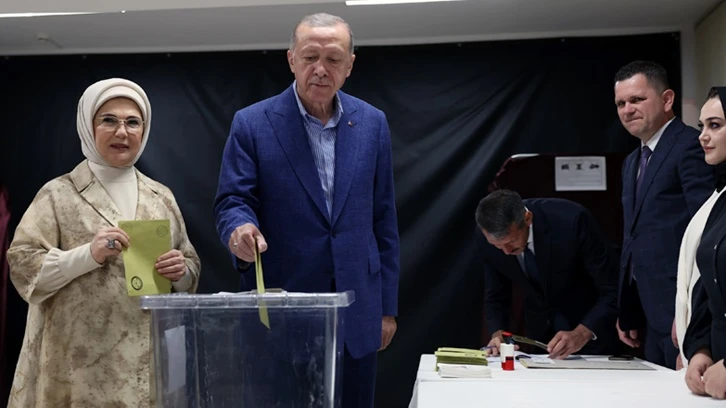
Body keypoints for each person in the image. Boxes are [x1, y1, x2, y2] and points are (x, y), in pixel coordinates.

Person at [213, 13, 399, 407]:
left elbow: (384, 219)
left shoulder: (372, 124)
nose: (320, 69)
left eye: (333, 59)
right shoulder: (252, 123)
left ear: (350, 65)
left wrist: (386, 309)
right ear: (291, 59)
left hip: (358, 307)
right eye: (310, 57)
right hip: (283, 307)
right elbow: (233, 201)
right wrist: (239, 229)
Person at [6, 78, 201, 407]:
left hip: (146, 365)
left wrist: (180, 273)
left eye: (132, 122)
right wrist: (87, 255)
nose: (122, 132)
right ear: (87, 125)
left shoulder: (161, 197)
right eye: (108, 120)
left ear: (144, 130)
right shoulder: (57, 194)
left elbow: (190, 265)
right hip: (74, 366)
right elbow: (23, 266)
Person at [614, 60, 713, 369]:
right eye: (620, 103)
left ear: (667, 99)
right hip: (645, 312)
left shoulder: (690, 147)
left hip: (679, 311)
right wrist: (627, 306)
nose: (627, 109)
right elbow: (633, 237)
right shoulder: (632, 161)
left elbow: (705, 232)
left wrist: (689, 312)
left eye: (637, 99)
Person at [475, 190, 619, 359]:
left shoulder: (571, 220)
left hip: (589, 330)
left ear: (528, 219)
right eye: (498, 246)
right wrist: (497, 332)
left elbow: (612, 288)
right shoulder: (486, 237)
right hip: (540, 336)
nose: (506, 251)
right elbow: (495, 295)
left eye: (511, 241)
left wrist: (583, 332)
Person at [683, 86, 726, 399]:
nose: (702, 136)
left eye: (715, 125)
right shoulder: (721, 200)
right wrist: (701, 349)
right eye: (702, 126)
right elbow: (709, 287)